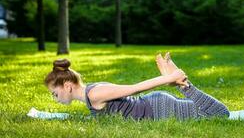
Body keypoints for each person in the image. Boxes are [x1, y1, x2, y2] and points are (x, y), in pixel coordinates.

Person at [44, 52, 230, 121]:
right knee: (210, 113)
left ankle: (184, 85)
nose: (54, 97)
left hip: (158, 110)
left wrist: (169, 78)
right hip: (155, 108)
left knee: (220, 114)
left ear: (67, 86)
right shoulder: (90, 95)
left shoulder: (94, 94)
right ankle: (180, 84)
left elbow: (135, 88)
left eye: (54, 93)